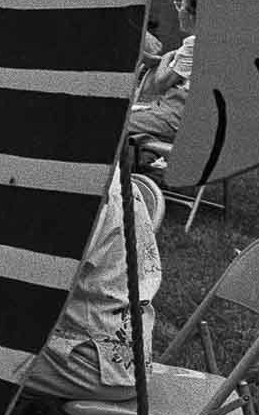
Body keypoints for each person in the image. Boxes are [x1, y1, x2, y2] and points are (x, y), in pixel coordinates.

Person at [20, 166, 161, 400]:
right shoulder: (101, 169)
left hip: (89, 361)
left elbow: (33, 284)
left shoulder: (81, 188)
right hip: (121, 352)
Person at [128, 0, 196, 147]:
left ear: (191, 15)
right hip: (167, 110)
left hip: (172, 115)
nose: (178, 12)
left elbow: (160, 84)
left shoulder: (193, 44)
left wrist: (165, 58)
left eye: (181, 6)